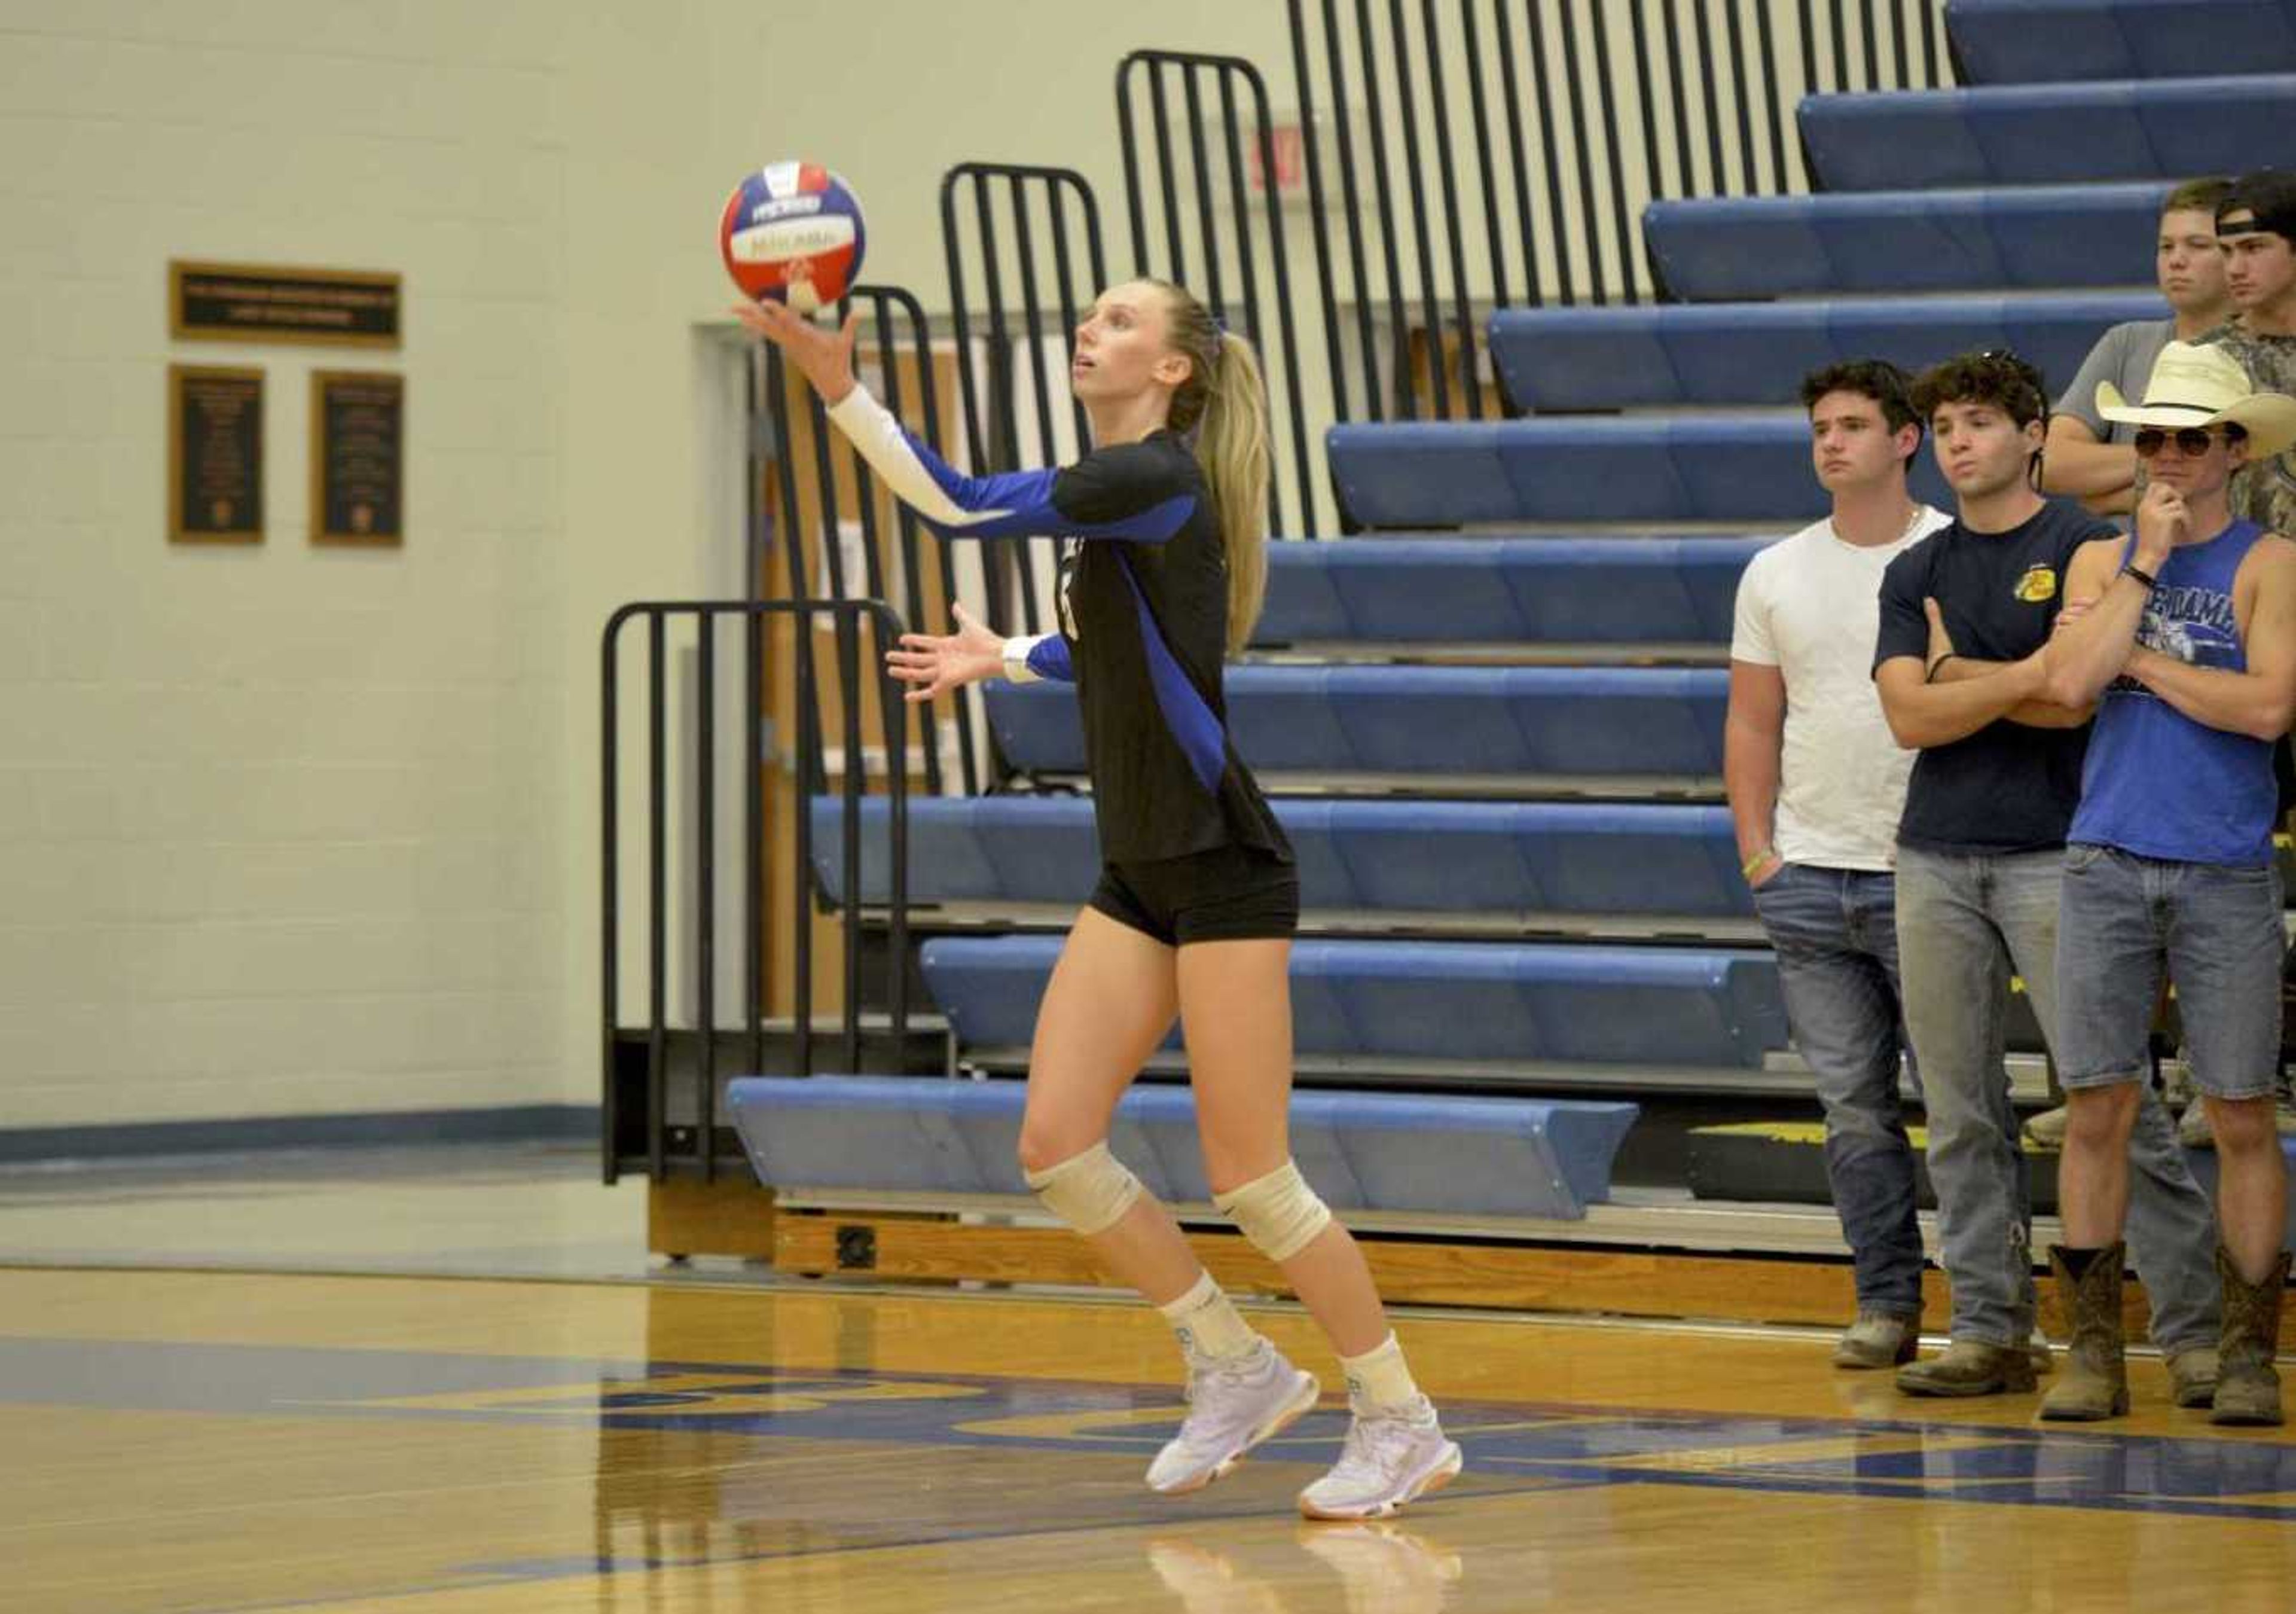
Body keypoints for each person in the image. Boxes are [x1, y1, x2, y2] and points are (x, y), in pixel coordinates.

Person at [731, 281, 1461, 1520]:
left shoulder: (1149, 474)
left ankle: (1401, 1416)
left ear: (1175, 370)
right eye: (1096, 315)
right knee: (1055, 1144)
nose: (1094, 330)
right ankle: (1235, 1361)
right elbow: (1116, 645)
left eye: (1123, 321)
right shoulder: (1122, 492)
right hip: (1139, 869)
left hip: (1224, 864)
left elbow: (955, 499)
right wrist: (1004, 654)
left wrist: (835, 380)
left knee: (1255, 1181)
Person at [1870, 351, 2222, 1404]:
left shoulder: (2082, 543)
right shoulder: (1915, 569)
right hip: (1934, 847)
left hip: (2060, 846)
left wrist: (1961, 673)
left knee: (2110, 1095)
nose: (1959, 441)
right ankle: (1989, 1324)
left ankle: (2196, 1328)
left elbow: (2074, 698)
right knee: (1959, 1101)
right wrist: (2010, 677)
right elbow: (1905, 717)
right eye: (1943, 427)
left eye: (1979, 420)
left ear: (2034, 433)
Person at [2037, 341, 2296, 1424]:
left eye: (2190, 439)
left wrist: (2142, 660)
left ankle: (2247, 1353)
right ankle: (2094, 1349)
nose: (2169, 458)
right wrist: (2142, 565)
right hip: (2106, 854)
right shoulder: (2105, 560)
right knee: (2097, 1103)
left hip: (2225, 861)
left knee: (2239, 1109)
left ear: (2233, 450)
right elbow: (2066, 682)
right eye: (2152, 438)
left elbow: (2270, 709)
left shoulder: (2271, 562)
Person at [1726, 360, 1948, 1371]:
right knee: (1855, 1111)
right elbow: (1751, 717)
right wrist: (1758, 848)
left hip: (1931, 867)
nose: (1831, 441)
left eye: (1854, 424)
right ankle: (1887, 1301)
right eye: (1821, 425)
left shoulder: (1953, 550)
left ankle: (1992, 1311)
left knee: (1960, 1102)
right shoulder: (1775, 568)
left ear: (1908, 439)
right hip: (1809, 874)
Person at [2042, 177, 2234, 521]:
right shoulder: (2126, 343)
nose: (2177, 260)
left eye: (2198, 245)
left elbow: (2258, 484)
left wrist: (2116, 493)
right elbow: (2051, 463)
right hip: (2126, 565)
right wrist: (2181, 465)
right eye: (2166, 246)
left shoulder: (2266, 355)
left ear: (2235, 255)